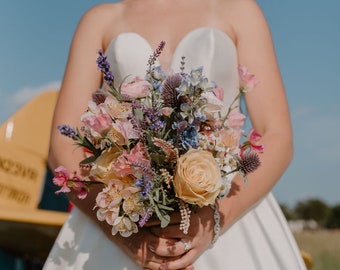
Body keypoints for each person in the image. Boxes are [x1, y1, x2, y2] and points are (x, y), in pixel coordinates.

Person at [44, 0, 307, 269]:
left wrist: (214, 219)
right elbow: (61, 144)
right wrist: (127, 234)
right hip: (125, 218)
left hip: (230, 215)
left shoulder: (239, 9)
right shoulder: (99, 20)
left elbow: (277, 135)